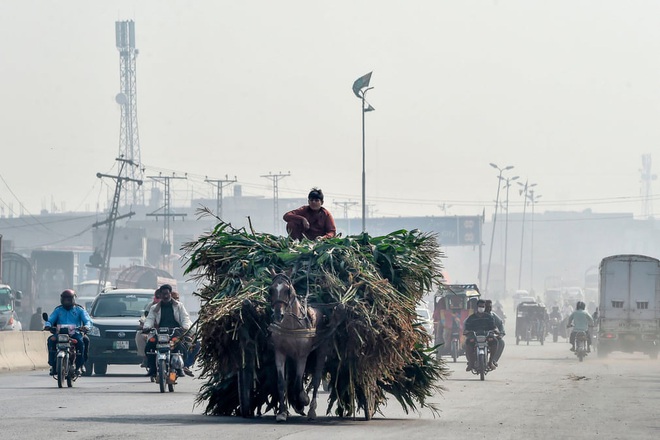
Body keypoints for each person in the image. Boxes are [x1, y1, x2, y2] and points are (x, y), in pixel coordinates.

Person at [142, 284, 192, 378]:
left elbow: (185, 318)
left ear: (170, 294)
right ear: (160, 295)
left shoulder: (179, 306)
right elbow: (150, 319)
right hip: (159, 332)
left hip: (175, 331)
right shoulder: (154, 308)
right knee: (149, 346)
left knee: (180, 346)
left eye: (167, 294)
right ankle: (152, 369)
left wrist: (185, 327)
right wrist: (147, 327)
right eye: (163, 294)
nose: (165, 296)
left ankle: (180, 367)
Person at [44, 289, 92, 376]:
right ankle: (53, 365)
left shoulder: (79, 310)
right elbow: (50, 320)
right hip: (60, 334)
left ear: (73, 299)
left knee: (82, 342)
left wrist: (86, 327)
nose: (66, 301)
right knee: (51, 340)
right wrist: (47, 325)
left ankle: (80, 366)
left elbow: (87, 321)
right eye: (64, 299)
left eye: (68, 299)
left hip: (75, 334)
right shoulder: (58, 310)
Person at [463, 299, 499, 371]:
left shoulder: (489, 317)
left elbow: (493, 326)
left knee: (495, 341)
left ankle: (490, 361)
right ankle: (471, 363)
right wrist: (466, 331)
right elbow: (467, 327)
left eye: (482, 306)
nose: (481, 308)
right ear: (477, 307)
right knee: (468, 343)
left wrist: (495, 330)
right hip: (474, 336)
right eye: (480, 306)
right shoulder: (471, 318)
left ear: (484, 307)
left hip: (486, 336)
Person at [136, 288, 162, 368]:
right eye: (157, 297)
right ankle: (145, 357)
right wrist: (144, 326)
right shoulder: (151, 306)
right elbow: (146, 317)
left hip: (168, 331)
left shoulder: (174, 305)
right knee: (140, 335)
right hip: (153, 330)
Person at [484, 300, 505, 367]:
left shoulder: (493, 315)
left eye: (490, 307)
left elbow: (500, 324)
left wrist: (501, 334)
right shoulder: (476, 315)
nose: (489, 308)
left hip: (490, 337)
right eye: (487, 307)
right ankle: (472, 361)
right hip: (478, 337)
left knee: (501, 342)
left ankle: (493, 360)